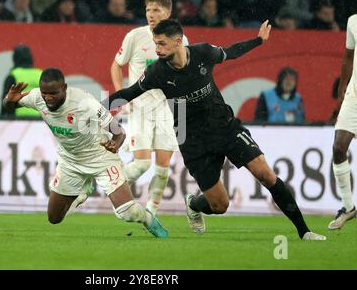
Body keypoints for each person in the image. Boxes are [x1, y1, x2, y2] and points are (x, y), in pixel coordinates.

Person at [104, 18, 326, 241]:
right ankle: (193, 203)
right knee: (220, 205)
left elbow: (232, 52)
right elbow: (130, 92)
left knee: (265, 174)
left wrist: (258, 40)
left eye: (161, 44)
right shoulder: (156, 73)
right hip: (192, 140)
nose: (157, 49)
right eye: (155, 43)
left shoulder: (203, 53)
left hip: (224, 126)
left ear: (178, 42)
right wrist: (97, 109)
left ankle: (304, 231)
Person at [2, 68, 168, 238]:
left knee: (127, 212)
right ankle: (84, 189)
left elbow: (119, 132)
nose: (48, 98)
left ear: (64, 88)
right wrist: (9, 99)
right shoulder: (38, 97)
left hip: (100, 157)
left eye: (53, 93)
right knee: (54, 218)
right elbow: (8, 106)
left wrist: (115, 145)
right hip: (70, 161)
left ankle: (149, 219)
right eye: (45, 93)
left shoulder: (85, 103)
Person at [110, 0, 188, 215]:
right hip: (140, 107)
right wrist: (121, 95)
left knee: (163, 169)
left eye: (156, 10)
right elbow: (116, 65)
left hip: (170, 109)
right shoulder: (135, 36)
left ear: (168, 12)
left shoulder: (180, 39)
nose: (151, 15)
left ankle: (152, 212)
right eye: (148, 10)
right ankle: (109, 184)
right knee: (142, 164)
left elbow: (185, 72)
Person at [329, 14, 357, 230]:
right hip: (354, 96)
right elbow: (348, 56)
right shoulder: (353, 21)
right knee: (339, 147)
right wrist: (343, 85)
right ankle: (348, 207)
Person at [1, 45, 42, 117]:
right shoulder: (41, 74)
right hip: (39, 120)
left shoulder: (13, 75)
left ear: (15, 58)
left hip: (19, 121)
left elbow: (6, 103)